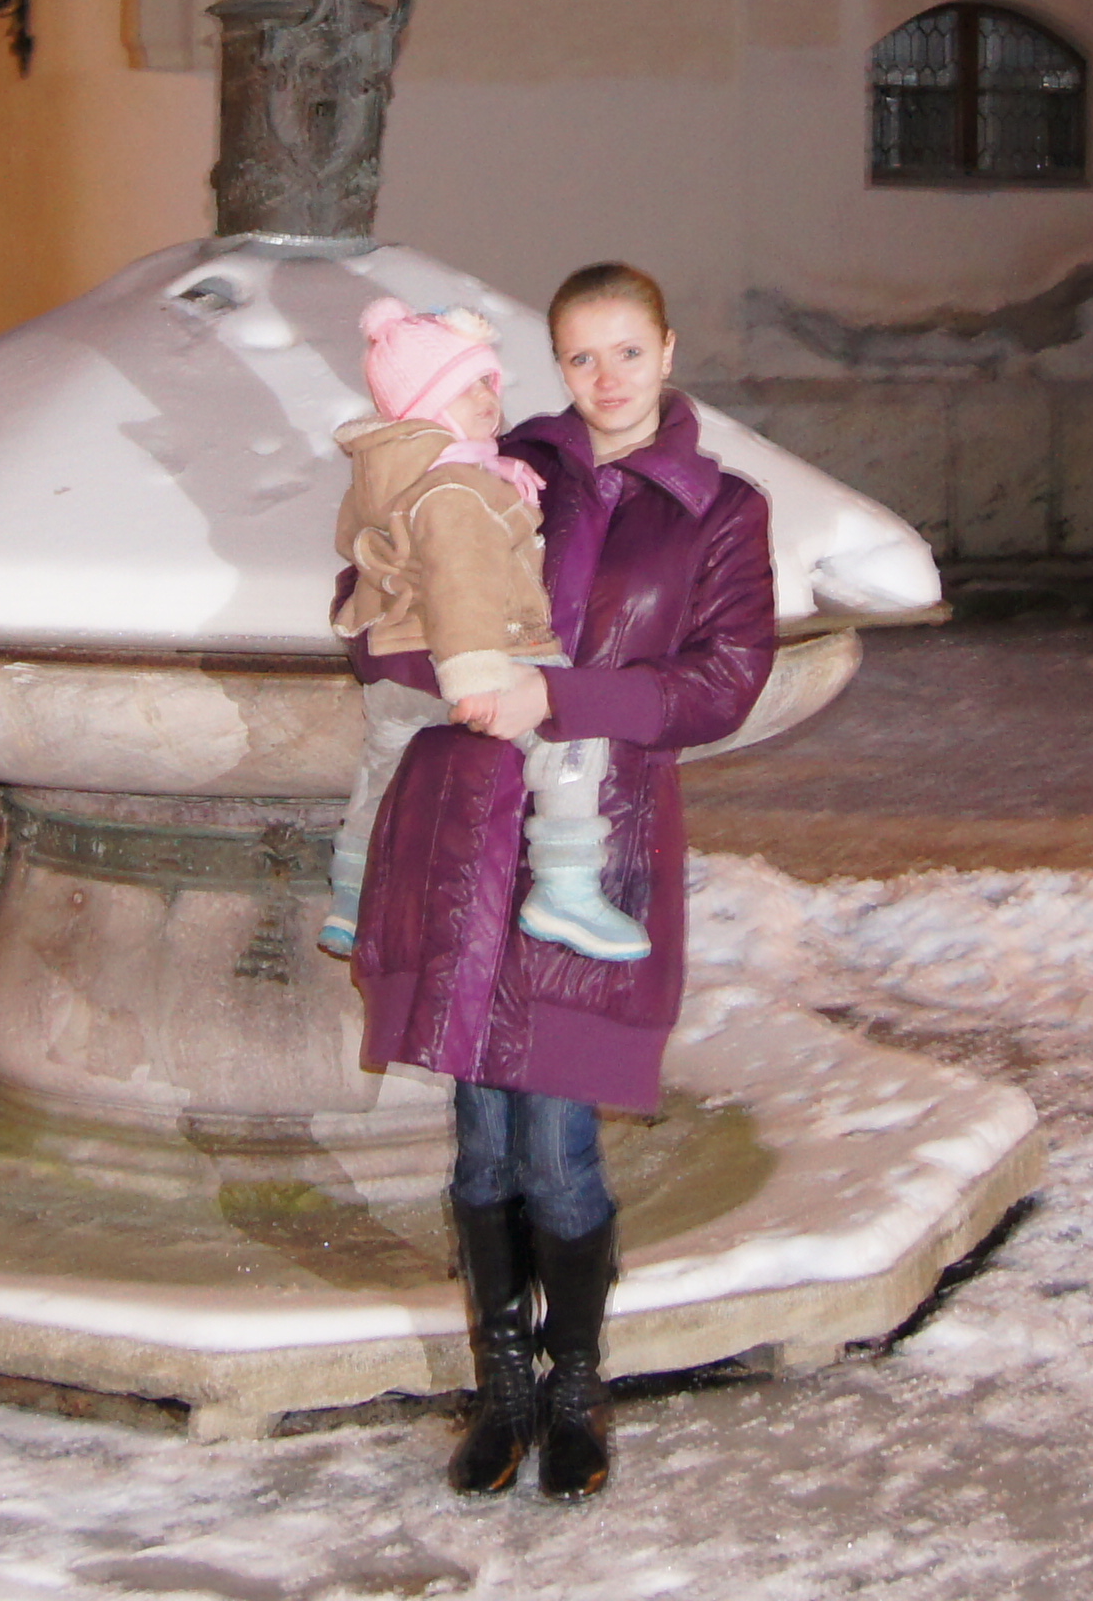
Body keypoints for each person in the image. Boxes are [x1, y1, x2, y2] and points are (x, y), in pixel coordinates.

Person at [338, 261, 777, 1504]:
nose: (605, 378)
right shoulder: (496, 462)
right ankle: (503, 1390)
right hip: (471, 828)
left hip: (600, 842)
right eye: (581, 355)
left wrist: (557, 695)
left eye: (626, 351)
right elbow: (367, 615)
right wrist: (444, 666)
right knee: (481, 1141)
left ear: (667, 349)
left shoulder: (718, 509)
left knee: (559, 1145)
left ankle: (576, 1385)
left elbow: (723, 682)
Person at [324, 299, 646, 964]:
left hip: (396, 664)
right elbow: (460, 583)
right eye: (466, 388)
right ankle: (566, 887)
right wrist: (474, 678)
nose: (488, 401)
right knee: (572, 730)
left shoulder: (393, 472)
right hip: (464, 655)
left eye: (489, 383)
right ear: (423, 404)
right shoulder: (456, 491)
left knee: (382, 774)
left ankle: (350, 897)